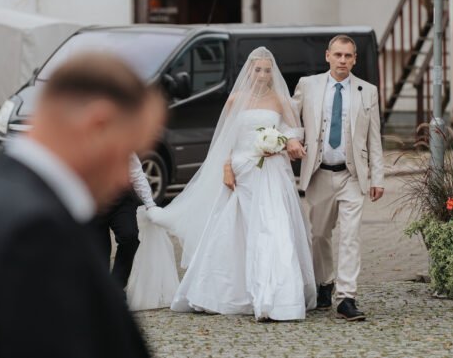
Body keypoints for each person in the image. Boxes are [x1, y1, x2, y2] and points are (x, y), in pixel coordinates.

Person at [0, 53, 165, 358]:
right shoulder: (35, 232)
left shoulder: (3, 200)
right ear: (98, 125)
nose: (126, 176)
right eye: (128, 151)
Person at [129, 46, 317, 321]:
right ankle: (227, 291)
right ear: (249, 70)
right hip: (242, 170)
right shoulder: (235, 100)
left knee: (272, 226)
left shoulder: (280, 100)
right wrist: (227, 167)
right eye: (258, 69)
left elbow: (293, 130)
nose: (262, 75)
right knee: (235, 228)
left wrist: (285, 141)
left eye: (267, 70)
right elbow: (226, 138)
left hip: (270, 171)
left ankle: (275, 297)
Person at [287, 34, 384, 322]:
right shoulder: (308, 85)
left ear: (354, 59)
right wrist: (291, 139)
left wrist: (377, 177)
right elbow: (290, 118)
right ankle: (324, 282)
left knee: (350, 236)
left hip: (352, 174)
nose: (342, 60)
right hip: (319, 172)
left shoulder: (367, 91)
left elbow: (374, 137)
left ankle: (346, 298)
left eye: (348, 56)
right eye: (338, 55)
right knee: (319, 234)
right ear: (327, 56)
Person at [94, 153, 158, 289]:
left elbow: (136, 172)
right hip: (93, 202)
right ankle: (102, 291)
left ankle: (116, 287)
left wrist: (150, 203)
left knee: (130, 237)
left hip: (121, 199)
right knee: (99, 250)